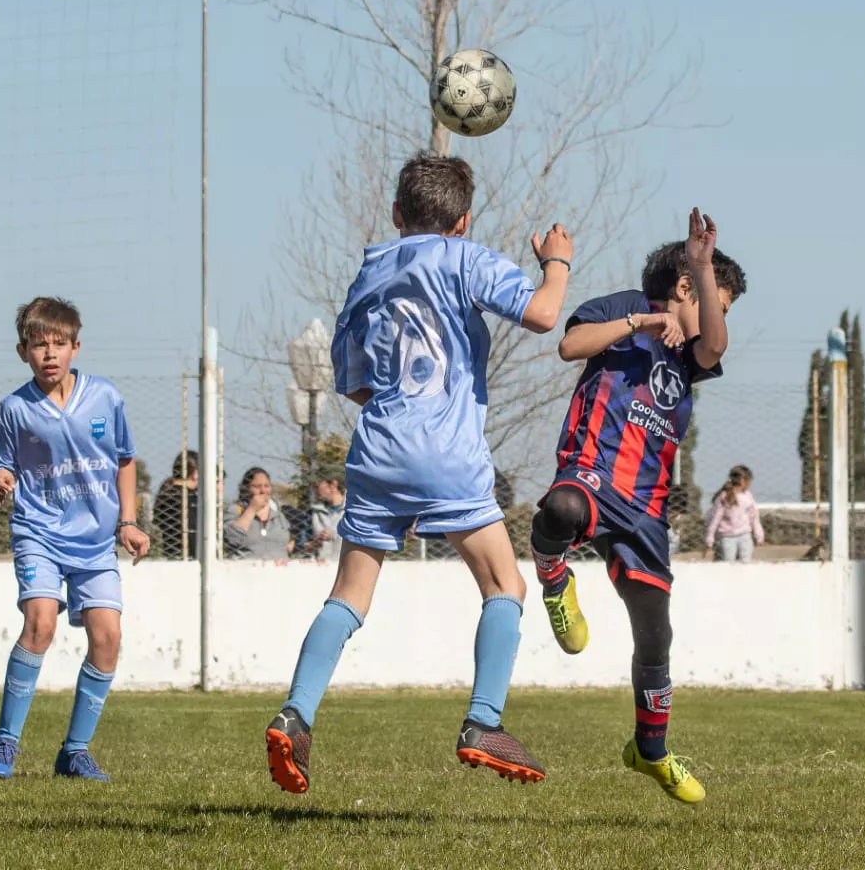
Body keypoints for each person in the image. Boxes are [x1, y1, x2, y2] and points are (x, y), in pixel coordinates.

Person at [264, 151, 573, 794]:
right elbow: (544, 314)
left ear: (396, 214)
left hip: (378, 446)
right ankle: (484, 721)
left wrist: (397, 415)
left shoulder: (370, 271)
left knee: (349, 595)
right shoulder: (465, 259)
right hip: (448, 452)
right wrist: (556, 261)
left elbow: (350, 380)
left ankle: (295, 714)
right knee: (504, 586)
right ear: (462, 221)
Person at [529, 209, 746, 805]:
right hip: (592, 475)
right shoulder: (622, 309)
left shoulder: (692, 354)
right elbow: (571, 345)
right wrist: (643, 322)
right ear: (681, 292)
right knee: (563, 509)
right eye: (715, 302)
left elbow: (715, 345)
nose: (718, 317)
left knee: (655, 636)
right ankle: (554, 578)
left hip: (645, 512)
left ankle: (649, 751)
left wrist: (702, 264)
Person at [0, 297, 150, 781]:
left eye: (58, 343)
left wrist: (128, 522)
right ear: (22, 351)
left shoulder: (105, 397)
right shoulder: (14, 409)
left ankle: (74, 752)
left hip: (96, 540)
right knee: (40, 623)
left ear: (77, 346)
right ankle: (6, 744)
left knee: (108, 637)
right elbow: (0, 466)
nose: (49, 354)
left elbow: (124, 459)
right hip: (39, 531)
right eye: (38, 345)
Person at [224, 468, 293, 560]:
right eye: (257, 486)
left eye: (266, 486)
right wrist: (252, 509)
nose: (263, 491)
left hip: (277, 571)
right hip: (244, 570)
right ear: (246, 488)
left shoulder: (280, 512)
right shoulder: (236, 510)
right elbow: (232, 539)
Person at [705, 465, 765, 562]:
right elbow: (715, 519)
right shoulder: (724, 496)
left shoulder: (748, 496)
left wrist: (759, 536)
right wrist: (710, 539)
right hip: (727, 537)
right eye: (749, 480)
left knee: (745, 562)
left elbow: (754, 517)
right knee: (728, 563)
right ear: (742, 480)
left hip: (745, 535)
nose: (750, 484)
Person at [154, 450, 199, 559]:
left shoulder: (167, 492)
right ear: (195, 473)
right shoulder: (189, 497)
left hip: (170, 553)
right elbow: (192, 531)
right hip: (189, 556)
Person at [303, 472, 346, 561]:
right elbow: (304, 547)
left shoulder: (354, 509)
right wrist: (315, 543)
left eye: (317, 485)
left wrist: (334, 535)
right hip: (320, 568)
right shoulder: (313, 512)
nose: (314, 489)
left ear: (333, 485)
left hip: (346, 566)